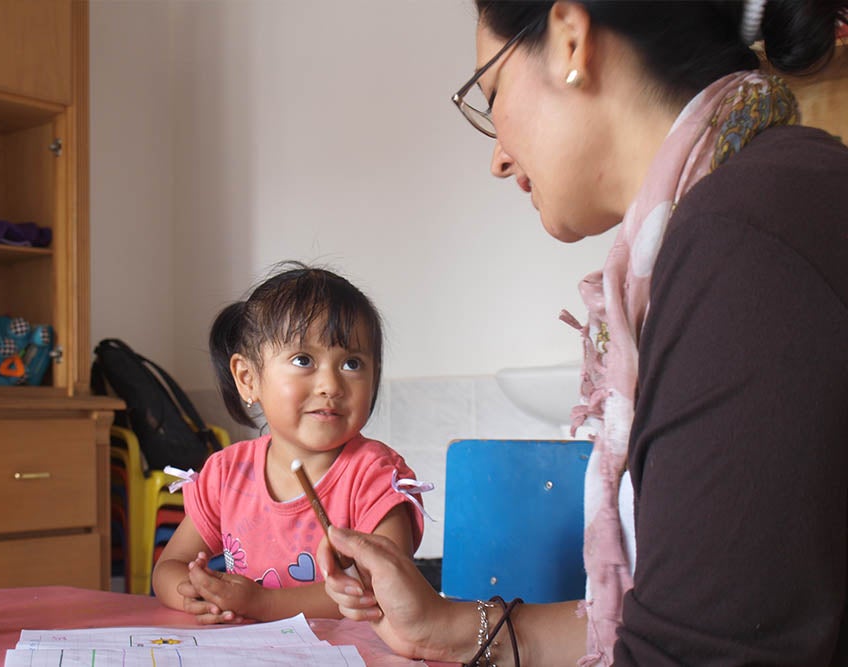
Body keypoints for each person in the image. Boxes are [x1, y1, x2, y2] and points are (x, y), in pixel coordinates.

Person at [320, 1, 848, 665]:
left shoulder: (747, 242)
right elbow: (675, 626)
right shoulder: (742, 209)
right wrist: (444, 626)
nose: (498, 160)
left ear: (571, 40)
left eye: (491, 92)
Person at [153, 262, 426, 624]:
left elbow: (383, 585)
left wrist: (262, 604)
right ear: (248, 378)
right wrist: (194, 594)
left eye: (352, 363)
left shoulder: (376, 476)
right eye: (304, 360)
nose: (331, 384)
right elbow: (169, 567)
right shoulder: (226, 473)